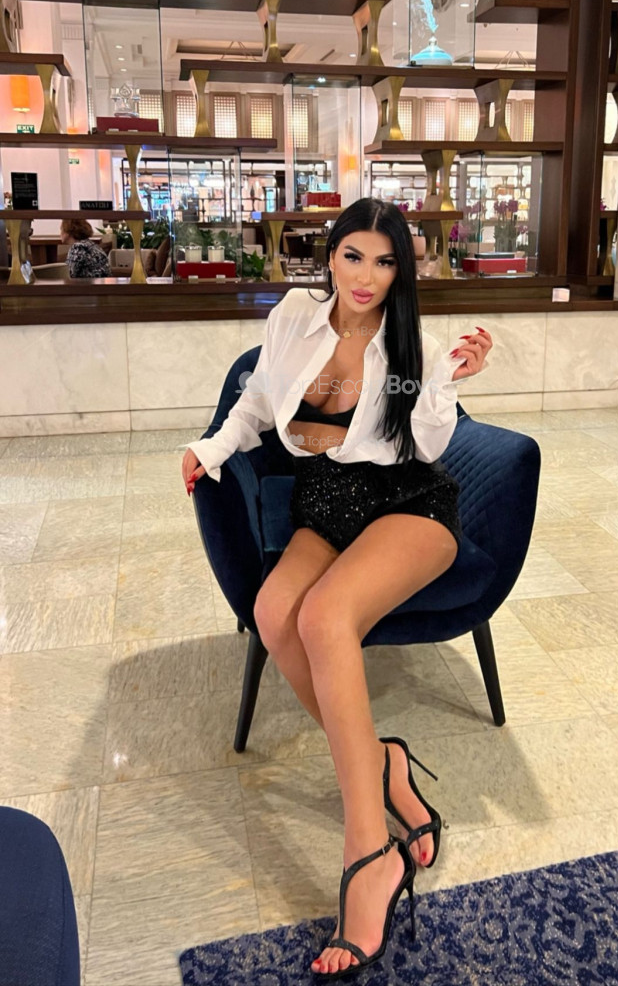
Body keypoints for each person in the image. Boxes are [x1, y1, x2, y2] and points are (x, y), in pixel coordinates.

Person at [181, 198, 492, 979]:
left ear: (401, 271)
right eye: (353, 256)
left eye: (385, 262)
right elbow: (258, 403)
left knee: (323, 617)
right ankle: (385, 761)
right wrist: (211, 448)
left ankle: (370, 854)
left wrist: (445, 383)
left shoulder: (412, 342)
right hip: (326, 505)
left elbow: (428, 442)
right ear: (330, 256)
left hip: (406, 506)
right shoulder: (293, 317)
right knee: (272, 612)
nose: (366, 276)